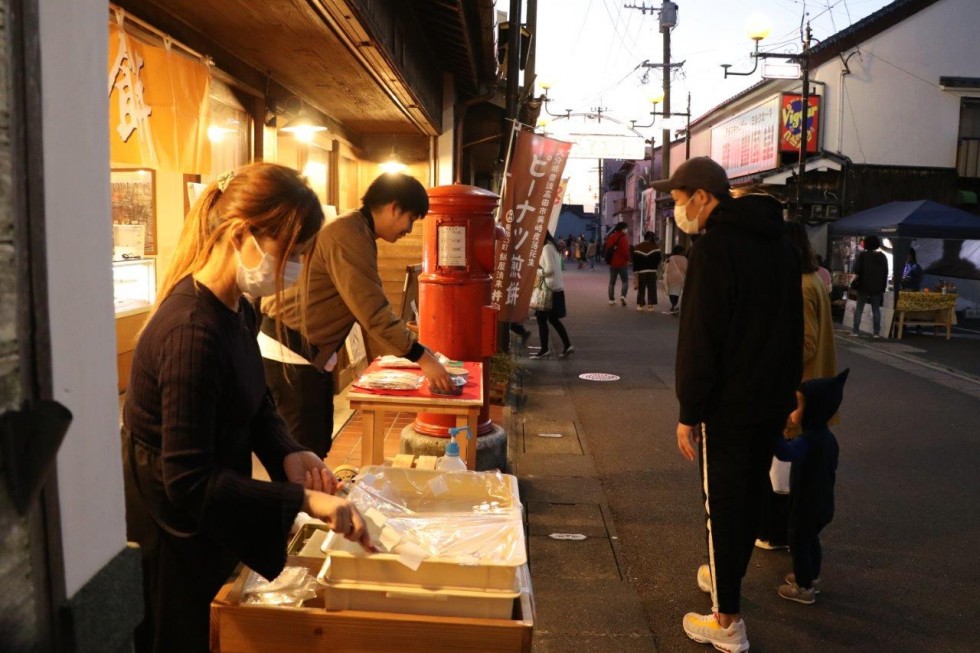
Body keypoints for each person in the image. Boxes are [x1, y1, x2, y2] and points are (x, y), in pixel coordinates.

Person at [121, 163, 374, 653]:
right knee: (182, 632)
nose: (297, 268)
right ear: (241, 235)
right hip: (173, 525)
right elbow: (188, 481)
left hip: (210, 505)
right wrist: (303, 500)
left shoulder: (238, 307)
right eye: (293, 254)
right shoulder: (190, 330)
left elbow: (256, 402)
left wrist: (287, 452)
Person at [652, 156, 803, 653]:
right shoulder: (780, 245)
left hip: (728, 404)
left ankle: (726, 621)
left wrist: (688, 411)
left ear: (703, 196)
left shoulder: (714, 249)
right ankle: (723, 575)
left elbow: (700, 337)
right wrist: (788, 396)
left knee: (725, 504)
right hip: (769, 398)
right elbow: (791, 330)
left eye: (678, 201)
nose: (678, 211)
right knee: (748, 498)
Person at [260, 173, 452, 457]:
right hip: (291, 351)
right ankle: (301, 501)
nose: (409, 229)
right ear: (394, 207)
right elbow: (372, 311)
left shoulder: (355, 228)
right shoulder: (349, 234)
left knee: (314, 448)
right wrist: (422, 357)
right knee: (302, 453)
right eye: (410, 219)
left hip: (306, 351)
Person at [757, 222, 839, 551]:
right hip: (810, 385)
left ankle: (779, 535)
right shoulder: (813, 279)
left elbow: (804, 343)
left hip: (799, 390)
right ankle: (785, 535)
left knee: (784, 471)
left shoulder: (800, 286)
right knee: (795, 472)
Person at [773, 369, 849, 605]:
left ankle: (803, 587)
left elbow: (785, 453)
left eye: (796, 405)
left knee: (798, 541)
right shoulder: (827, 438)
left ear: (812, 410)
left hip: (806, 504)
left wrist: (773, 431)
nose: (792, 410)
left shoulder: (809, 441)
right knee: (811, 539)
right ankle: (812, 575)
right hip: (824, 503)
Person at [529, 231, 575, 359]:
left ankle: (544, 349)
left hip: (548, 289)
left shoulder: (546, 248)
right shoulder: (552, 247)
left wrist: (537, 271)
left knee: (541, 318)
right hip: (556, 288)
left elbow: (550, 269)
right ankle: (567, 345)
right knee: (553, 319)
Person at [850, 234, 889, 338]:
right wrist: (883, 287)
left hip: (863, 285)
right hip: (877, 287)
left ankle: (855, 331)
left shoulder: (863, 256)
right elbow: (885, 272)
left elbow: (856, 270)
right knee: (876, 309)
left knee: (859, 308)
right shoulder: (882, 256)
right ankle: (876, 332)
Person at [631, 231, 662, 311]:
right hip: (652, 271)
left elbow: (635, 260)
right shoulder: (656, 247)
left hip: (641, 271)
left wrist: (635, 271)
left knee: (641, 288)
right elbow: (659, 259)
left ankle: (640, 305)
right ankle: (650, 306)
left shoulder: (638, 247)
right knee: (652, 288)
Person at [604, 222, 630, 305]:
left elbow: (607, 248)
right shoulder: (624, 238)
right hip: (622, 263)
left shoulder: (611, 237)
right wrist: (628, 259)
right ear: (622, 229)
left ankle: (611, 299)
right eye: (626, 228)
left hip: (613, 263)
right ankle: (623, 295)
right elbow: (626, 251)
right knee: (625, 281)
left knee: (612, 282)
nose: (626, 230)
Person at [663, 244, 688, 315]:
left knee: (671, 293)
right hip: (680, 279)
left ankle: (673, 304)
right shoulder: (684, 259)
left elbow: (665, 268)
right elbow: (686, 269)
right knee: (676, 293)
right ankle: (674, 304)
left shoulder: (670, 259)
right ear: (681, 251)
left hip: (670, 278)